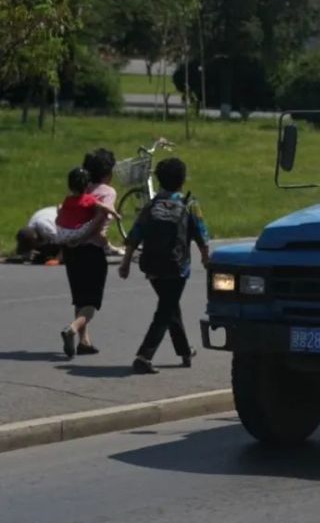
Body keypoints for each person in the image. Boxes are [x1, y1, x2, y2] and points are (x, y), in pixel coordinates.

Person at [119, 157, 209, 374]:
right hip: (177, 268)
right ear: (182, 180)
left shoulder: (152, 204)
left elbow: (135, 234)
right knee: (166, 310)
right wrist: (206, 259)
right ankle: (144, 355)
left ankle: (185, 350)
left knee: (170, 306)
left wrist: (125, 263)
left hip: (152, 267)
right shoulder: (189, 204)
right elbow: (201, 234)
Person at [60, 148, 118, 359]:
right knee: (91, 303)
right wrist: (105, 244)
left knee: (79, 297)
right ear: (107, 173)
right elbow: (100, 221)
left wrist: (73, 240)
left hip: (70, 250)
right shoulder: (107, 192)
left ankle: (84, 342)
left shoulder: (80, 188)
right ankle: (73, 329)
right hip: (91, 250)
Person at [54, 168, 120, 247]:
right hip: (76, 234)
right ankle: (83, 241)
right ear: (87, 185)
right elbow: (104, 207)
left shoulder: (67, 199)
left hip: (61, 233)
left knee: (60, 207)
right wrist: (115, 214)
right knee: (100, 214)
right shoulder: (88, 199)